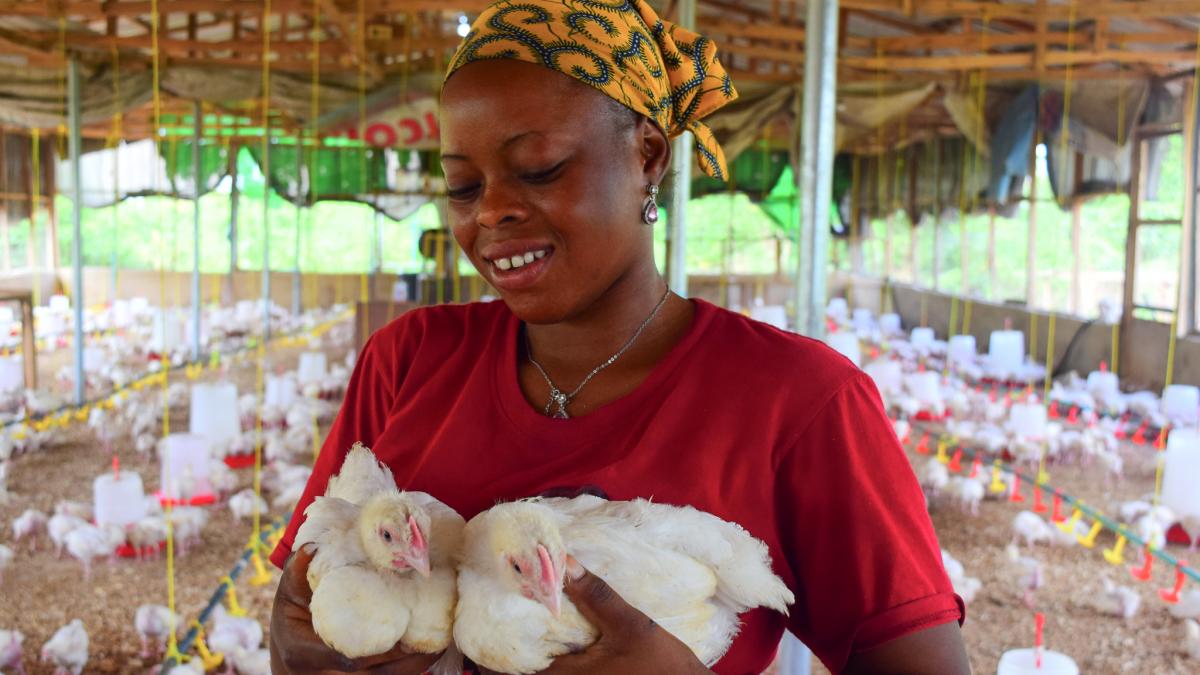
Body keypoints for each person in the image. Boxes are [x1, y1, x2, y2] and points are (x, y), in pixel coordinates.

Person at [270, 1, 969, 673]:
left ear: (648, 156)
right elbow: (299, 612)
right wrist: (297, 645)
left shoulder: (802, 402)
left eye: (540, 169)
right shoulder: (408, 360)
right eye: (462, 186)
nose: (491, 211)